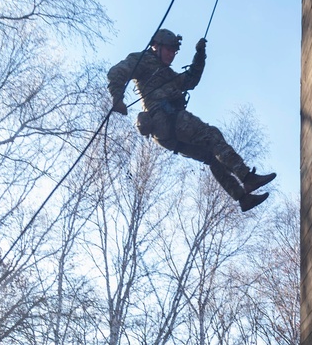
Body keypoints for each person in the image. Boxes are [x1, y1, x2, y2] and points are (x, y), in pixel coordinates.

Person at [107, 29, 276, 210]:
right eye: (168, 50)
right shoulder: (143, 60)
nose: (172, 55)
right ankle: (247, 178)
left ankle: (243, 198)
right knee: (211, 135)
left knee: (211, 157)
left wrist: (200, 55)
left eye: (174, 52)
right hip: (166, 118)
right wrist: (117, 98)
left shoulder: (167, 73)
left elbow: (190, 81)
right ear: (156, 46)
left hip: (165, 137)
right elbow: (116, 72)